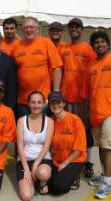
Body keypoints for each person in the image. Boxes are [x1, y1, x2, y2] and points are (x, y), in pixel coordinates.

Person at [61, 18, 96, 178]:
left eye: (77, 27)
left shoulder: (88, 49)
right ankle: (71, 161)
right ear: (68, 30)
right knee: (69, 131)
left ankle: (88, 162)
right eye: (72, 27)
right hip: (66, 98)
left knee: (85, 130)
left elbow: (95, 70)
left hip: (82, 98)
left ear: (82, 29)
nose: (74, 29)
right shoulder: (64, 48)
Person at [13, 17, 62, 118]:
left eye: (31, 27)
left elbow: (57, 67)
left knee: (42, 130)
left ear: (37, 29)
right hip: (23, 100)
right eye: (26, 27)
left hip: (42, 99)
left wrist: (56, 91)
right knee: (24, 130)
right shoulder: (17, 46)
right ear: (22, 30)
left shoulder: (46, 43)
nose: (28, 30)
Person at [84, 31, 111, 199]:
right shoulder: (91, 66)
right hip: (96, 112)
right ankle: (104, 174)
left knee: (108, 147)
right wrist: (89, 112)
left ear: (108, 44)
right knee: (101, 146)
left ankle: (108, 181)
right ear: (93, 46)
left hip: (110, 112)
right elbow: (88, 91)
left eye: (103, 42)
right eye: (96, 42)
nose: (99, 44)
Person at [16, 91, 54, 200]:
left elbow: (47, 146)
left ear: (43, 104)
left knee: (43, 173)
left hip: (42, 159)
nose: (36, 105)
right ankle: (32, 180)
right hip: (25, 160)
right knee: (27, 196)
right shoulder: (21, 121)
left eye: (39, 102)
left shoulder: (49, 121)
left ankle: (41, 181)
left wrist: (35, 165)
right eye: (33, 102)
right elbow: (19, 146)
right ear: (28, 104)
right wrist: (27, 169)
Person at [48, 91, 87, 194]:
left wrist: (65, 163)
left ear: (63, 104)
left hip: (74, 160)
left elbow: (79, 149)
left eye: (58, 102)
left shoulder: (75, 120)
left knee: (58, 188)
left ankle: (74, 177)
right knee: (45, 182)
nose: (55, 105)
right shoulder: (50, 122)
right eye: (52, 103)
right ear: (49, 105)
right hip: (57, 160)